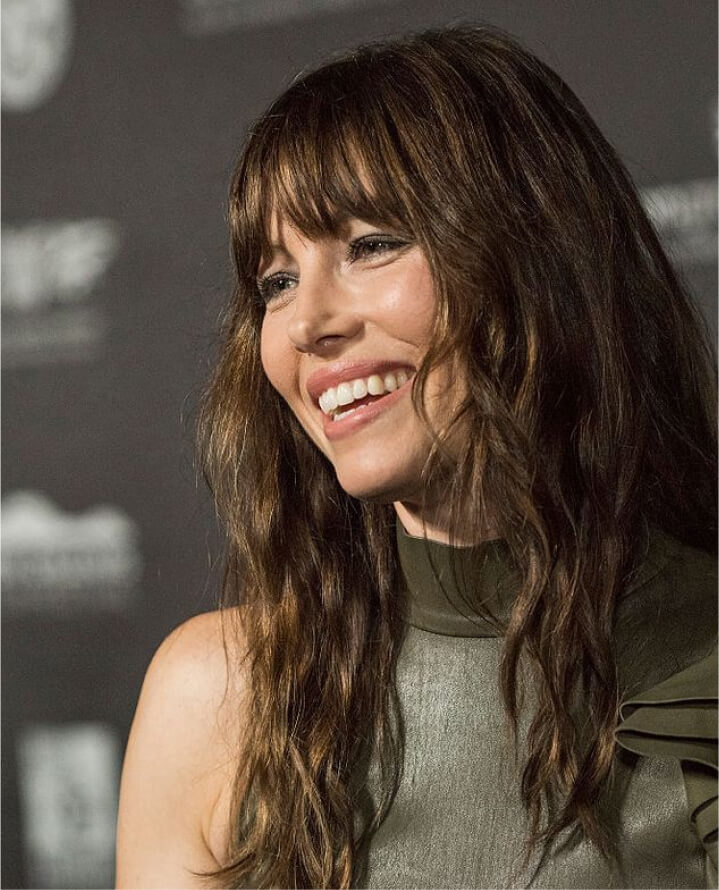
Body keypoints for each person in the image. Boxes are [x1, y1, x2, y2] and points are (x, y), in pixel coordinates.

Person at [115, 25, 718, 889]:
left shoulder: (703, 667)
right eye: (276, 282)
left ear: (537, 255)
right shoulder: (217, 700)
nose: (306, 322)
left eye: (370, 245)